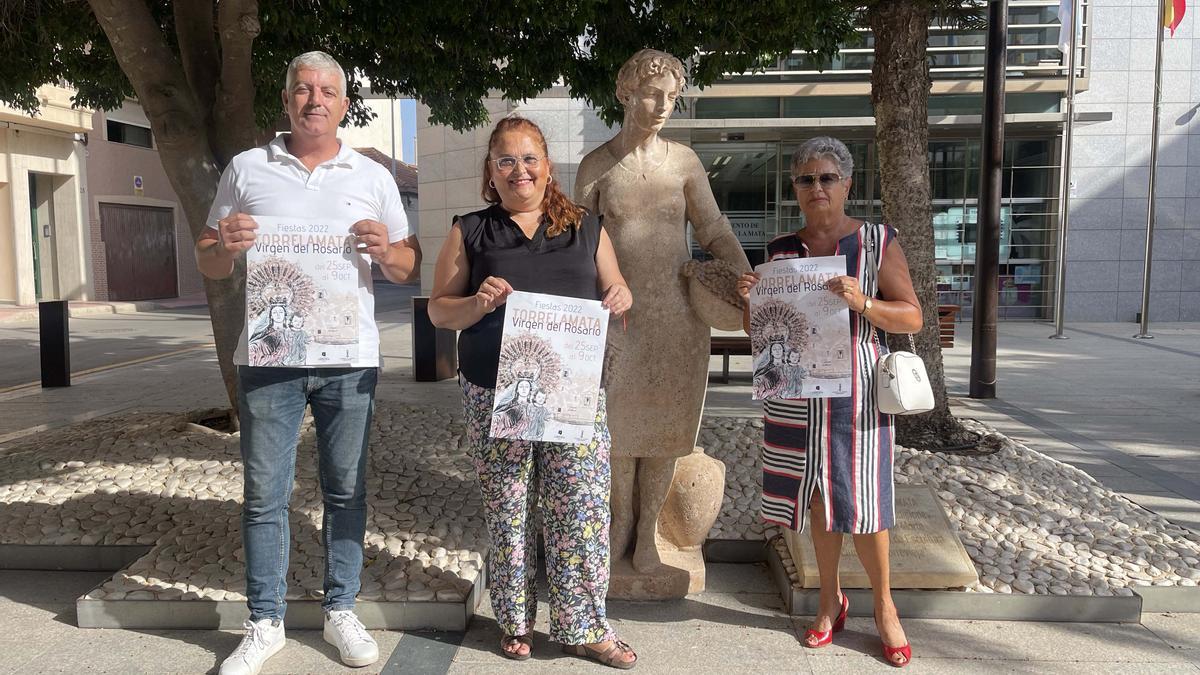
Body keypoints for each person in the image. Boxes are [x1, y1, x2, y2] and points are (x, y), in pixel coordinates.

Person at [196, 50, 421, 675]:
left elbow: (407, 264)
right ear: (288, 99)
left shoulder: (370, 176)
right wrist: (224, 246)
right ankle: (264, 621)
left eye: (327, 91)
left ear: (344, 104)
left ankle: (340, 609)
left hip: (349, 359)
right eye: (303, 89)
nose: (315, 99)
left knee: (345, 490)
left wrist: (387, 250)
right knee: (264, 495)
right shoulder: (246, 168)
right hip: (269, 360)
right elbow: (210, 257)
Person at [429, 116, 637, 668]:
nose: (519, 170)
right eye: (505, 160)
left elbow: (615, 285)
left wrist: (619, 295)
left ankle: (584, 624)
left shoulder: (586, 227)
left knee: (582, 505)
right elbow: (438, 308)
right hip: (494, 392)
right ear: (490, 173)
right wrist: (477, 303)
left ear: (548, 167)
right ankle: (515, 619)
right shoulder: (471, 230)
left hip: (573, 393)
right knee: (510, 507)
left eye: (529, 159)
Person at [738, 136, 922, 667]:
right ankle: (828, 600)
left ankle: (885, 607)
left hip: (857, 390)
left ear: (847, 184)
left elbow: (910, 315)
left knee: (864, 498)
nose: (816, 187)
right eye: (805, 179)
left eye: (826, 178)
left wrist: (862, 301)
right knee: (817, 494)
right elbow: (758, 331)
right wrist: (749, 301)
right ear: (794, 187)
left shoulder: (876, 241)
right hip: (796, 393)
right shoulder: (780, 251)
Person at [574, 49, 751, 575]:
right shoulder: (596, 166)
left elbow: (714, 229)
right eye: (653, 94)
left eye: (672, 97)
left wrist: (748, 281)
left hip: (678, 318)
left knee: (667, 429)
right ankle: (617, 527)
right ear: (626, 92)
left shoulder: (684, 163)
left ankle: (647, 533)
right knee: (618, 430)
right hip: (616, 319)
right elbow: (575, 244)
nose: (662, 106)